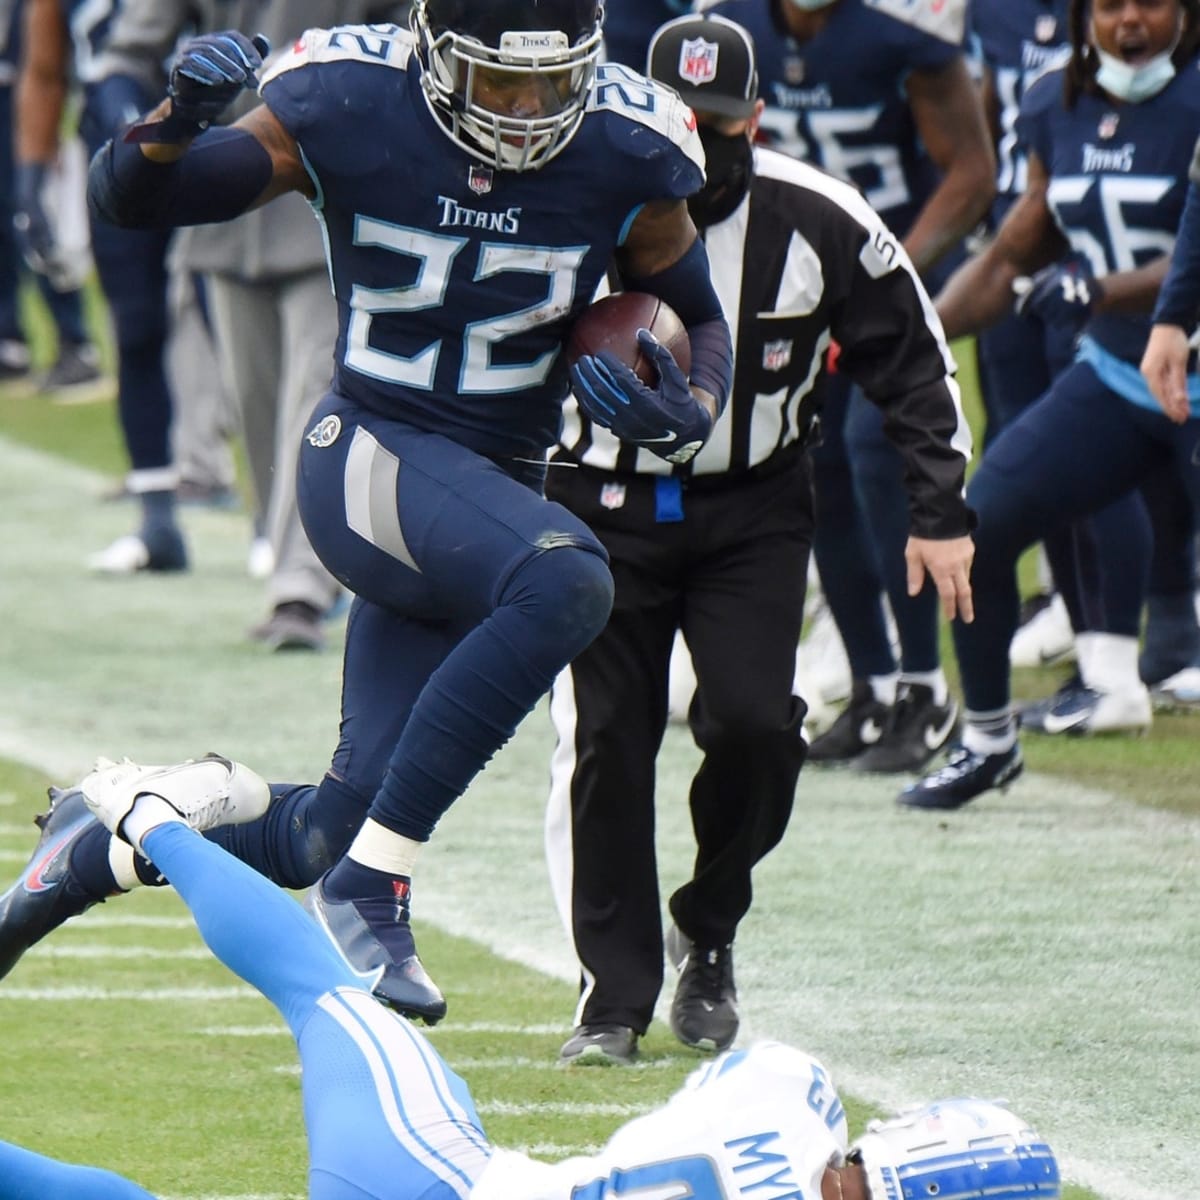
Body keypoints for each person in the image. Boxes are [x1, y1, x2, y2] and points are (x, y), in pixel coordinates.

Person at [53, 3, 733, 1023]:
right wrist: (175, 118)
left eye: (552, 85)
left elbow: (701, 319)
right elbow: (135, 200)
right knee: (571, 579)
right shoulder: (347, 97)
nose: (528, 110)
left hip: (491, 497)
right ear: (436, 55)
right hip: (365, 457)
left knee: (325, 829)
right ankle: (379, 888)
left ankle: (107, 836)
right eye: (502, 83)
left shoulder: (631, 145)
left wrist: (691, 410)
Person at [0, 755, 1063, 1200]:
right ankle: (141, 820)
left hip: (433, 1175)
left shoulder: (790, 1097)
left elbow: (764, 1091)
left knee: (321, 991)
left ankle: (144, 815)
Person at [545, 13, 975, 1065]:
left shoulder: (817, 217)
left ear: (759, 118)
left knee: (751, 726)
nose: (701, 148)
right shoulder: (568, 202)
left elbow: (911, 357)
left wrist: (940, 512)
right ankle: (612, 997)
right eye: (681, 124)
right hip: (602, 503)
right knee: (609, 740)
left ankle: (711, 921)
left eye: (721, 125)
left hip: (752, 509)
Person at [900, 0, 1200, 810]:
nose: (1129, 23)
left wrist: (1100, 287)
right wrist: (911, 334)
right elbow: (1013, 251)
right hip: (1116, 373)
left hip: (1192, 370)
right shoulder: (1053, 102)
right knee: (974, 528)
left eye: (1150, 4)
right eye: (1109, 6)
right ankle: (989, 739)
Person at [701, 0, 995, 774]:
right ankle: (871, 688)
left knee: (875, 448)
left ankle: (924, 689)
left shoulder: (904, 31)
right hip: (783, 277)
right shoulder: (729, 28)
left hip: (873, 277)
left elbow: (973, 174)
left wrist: (890, 263)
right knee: (816, 465)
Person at [89, 0, 406, 650]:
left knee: (315, 400)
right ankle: (291, 549)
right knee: (257, 413)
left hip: (335, 198)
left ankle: (301, 588)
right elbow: (127, 57)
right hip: (229, 192)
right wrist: (164, 127)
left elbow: (421, 47)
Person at [17, 0, 189, 572]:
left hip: (216, 140)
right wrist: (30, 176)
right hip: (115, 153)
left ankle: (275, 523)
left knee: (230, 320)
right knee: (136, 325)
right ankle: (157, 514)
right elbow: (45, 70)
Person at [0, 0, 103, 396]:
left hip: (37, 87)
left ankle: (75, 340)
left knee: (40, 212)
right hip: (24, 79)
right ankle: (10, 337)